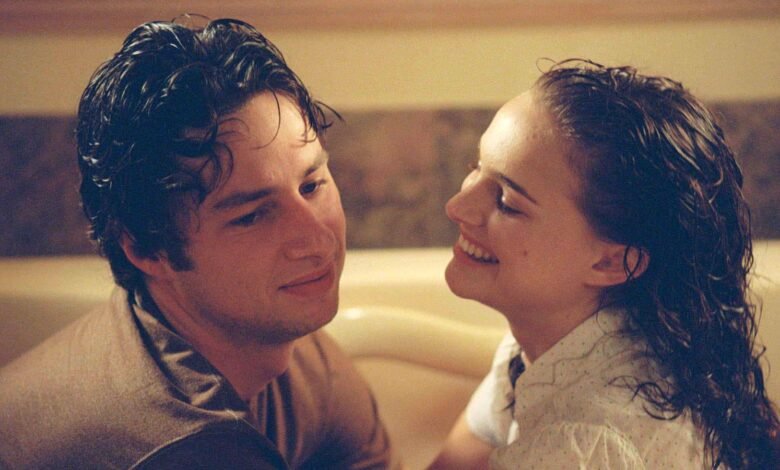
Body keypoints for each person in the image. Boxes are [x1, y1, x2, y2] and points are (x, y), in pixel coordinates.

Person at [0, 17, 397, 469]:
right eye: (251, 216)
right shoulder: (182, 446)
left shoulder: (281, 342)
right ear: (149, 250)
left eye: (311, 185)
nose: (316, 239)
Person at [429, 59, 778, 469]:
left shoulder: (583, 443)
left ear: (612, 261)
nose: (457, 207)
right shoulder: (557, 342)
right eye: (476, 168)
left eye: (506, 202)